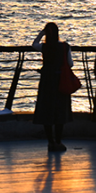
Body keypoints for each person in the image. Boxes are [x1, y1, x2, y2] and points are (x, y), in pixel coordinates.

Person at [32, 22, 73, 152]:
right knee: (60, 111)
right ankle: (59, 141)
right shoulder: (65, 47)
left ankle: (50, 142)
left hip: (47, 82)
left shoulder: (45, 47)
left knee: (47, 111)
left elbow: (34, 44)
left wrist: (41, 34)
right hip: (60, 80)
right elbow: (70, 64)